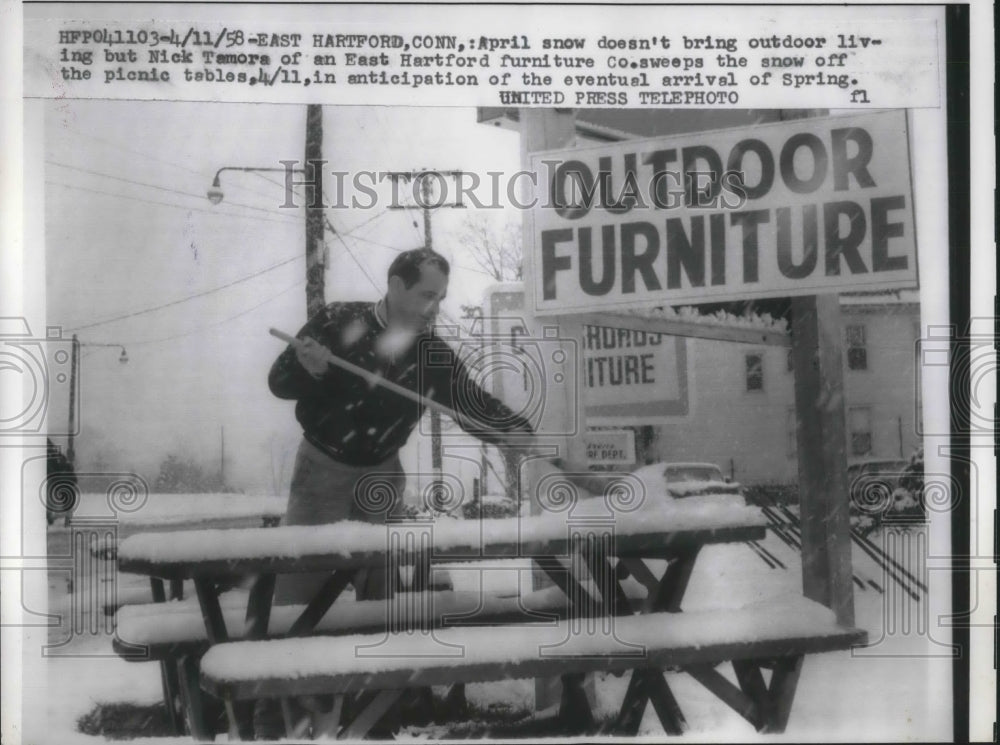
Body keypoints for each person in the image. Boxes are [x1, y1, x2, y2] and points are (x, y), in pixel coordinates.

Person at [259, 248, 537, 738]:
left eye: (441, 297)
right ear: (395, 284)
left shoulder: (430, 353)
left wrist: (514, 430)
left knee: (380, 597)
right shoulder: (337, 321)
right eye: (427, 294)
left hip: (382, 478)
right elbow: (280, 383)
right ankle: (288, 716)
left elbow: (469, 403)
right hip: (321, 470)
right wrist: (313, 369)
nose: (434, 306)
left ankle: (374, 715)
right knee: (297, 598)